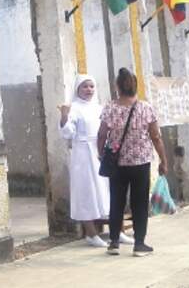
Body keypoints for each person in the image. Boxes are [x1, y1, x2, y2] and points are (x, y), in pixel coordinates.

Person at [97, 67, 167, 257]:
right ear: (135, 86)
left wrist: (101, 154)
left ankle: (113, 243)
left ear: (117, 87)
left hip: (117, 163)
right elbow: (156, 137)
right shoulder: (146, 108)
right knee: (139, 203)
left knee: (116, 201)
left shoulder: (110, 108)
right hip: (141, 163)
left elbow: (102, 135)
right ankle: (139, 244)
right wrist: (163, 160)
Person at [58, 74, 112, 247]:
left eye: (91, 86)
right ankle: (91, 234)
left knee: (104, 191)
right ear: (78, 89)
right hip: (82, 155)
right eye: (84, 87)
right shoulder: (73, 108)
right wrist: (64, 115)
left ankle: (115, 231)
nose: (89, 90)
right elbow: (67, 133)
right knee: (86, 192)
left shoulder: (99, 107)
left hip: (99, 153)